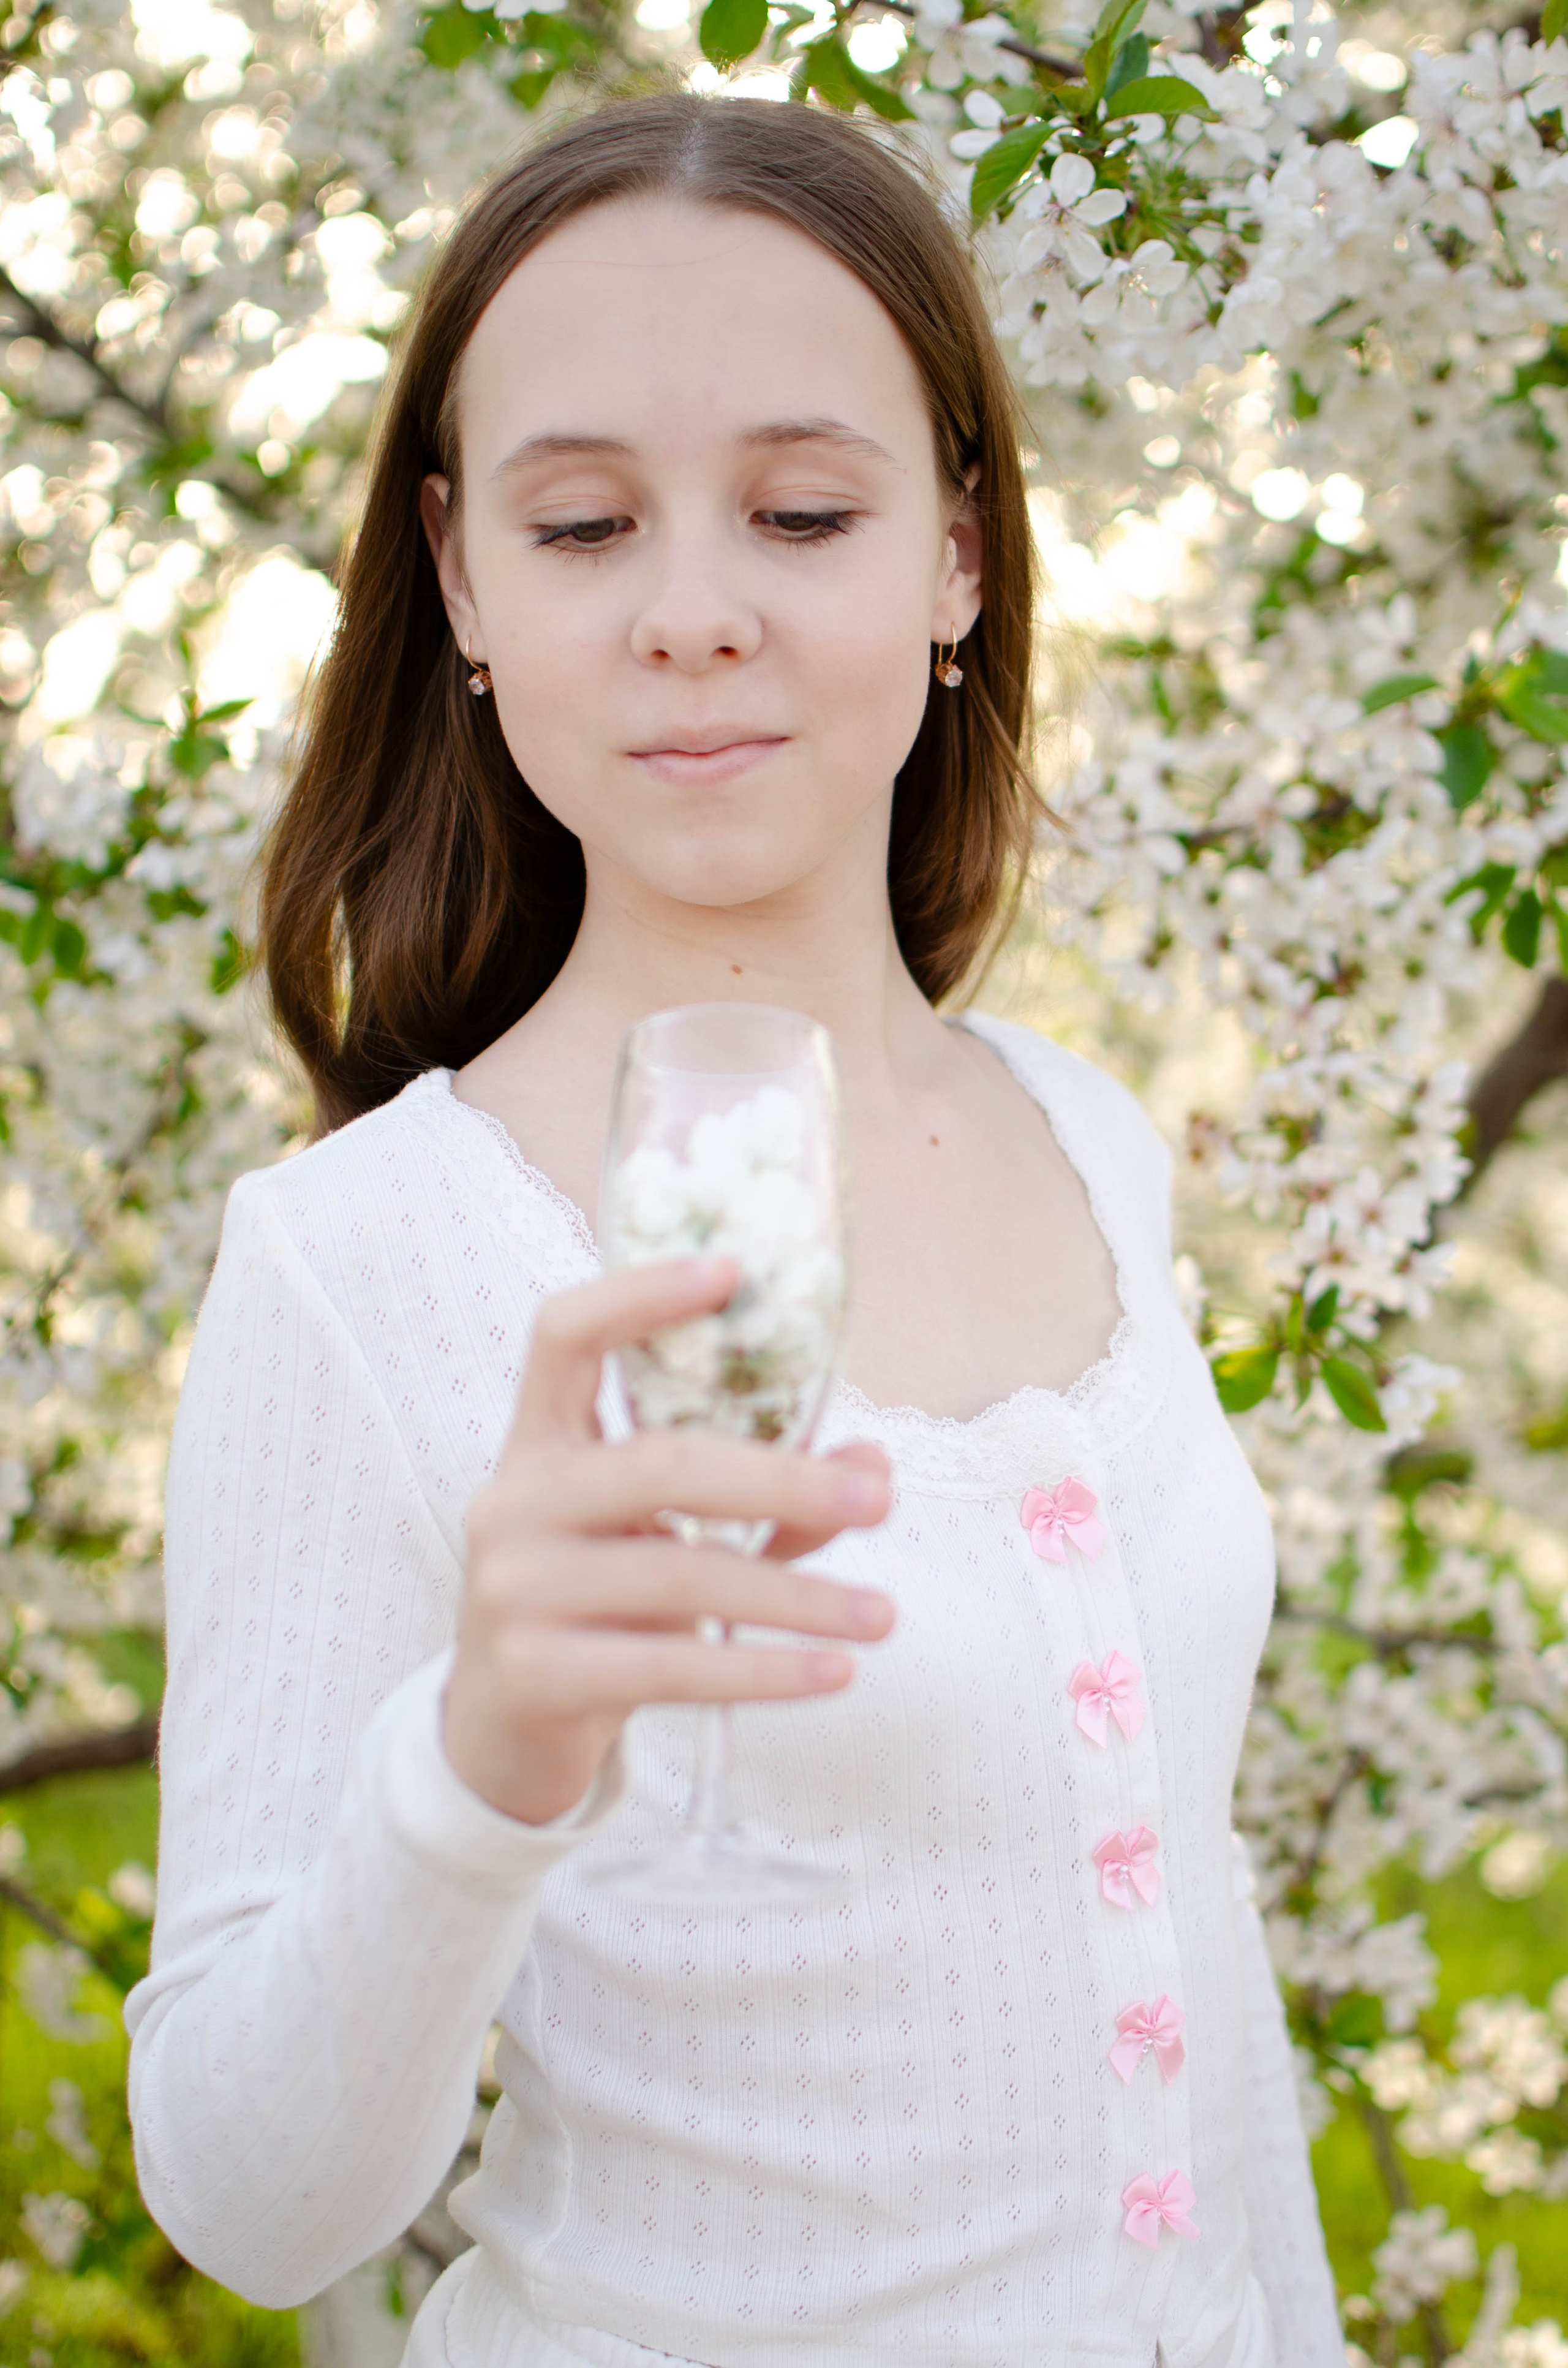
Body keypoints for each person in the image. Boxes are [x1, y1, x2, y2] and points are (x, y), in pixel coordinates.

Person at [124, 94, 1343, 2368]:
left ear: (959, 557)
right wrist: (478, 1757)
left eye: (801, 511)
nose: (695, 613)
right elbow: (249, 2199)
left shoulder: (1091, 1143)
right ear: (466, 582)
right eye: (583, 524)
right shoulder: (366, 1259)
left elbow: (1194, 1934)